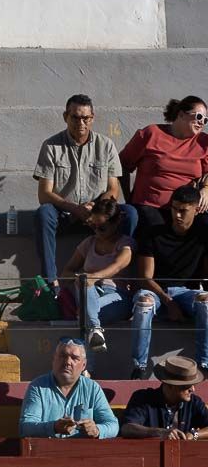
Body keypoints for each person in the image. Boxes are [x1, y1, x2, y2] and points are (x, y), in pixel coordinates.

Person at [33, 94, 133, 287]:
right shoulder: (51, 146)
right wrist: (74, 208)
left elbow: (113, 188)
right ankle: (49, 282)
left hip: (98, 215)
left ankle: (123, 278)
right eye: (75, 117)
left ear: (92, 117)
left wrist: (95, 208)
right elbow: (44, 194)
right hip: (65, 214)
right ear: (65, 117)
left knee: (130, 213)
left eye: (85, 118)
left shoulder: (106, 145)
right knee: (44, 213)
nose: (81, 123)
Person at [130, 185, 208, 379]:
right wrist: (169, 302)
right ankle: (138, 367)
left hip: (187, 293)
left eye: (183, 210)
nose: (177, 215)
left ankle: (204, 365)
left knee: (207, 302)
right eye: (174, 209)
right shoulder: (154, 234)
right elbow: (145, 278)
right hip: (156, 292)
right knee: (143, 304)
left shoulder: (203, 234)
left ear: (196, 210)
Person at [120, 95, 208, 232]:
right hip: (149, 205)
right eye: (198, 117)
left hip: (186, 209)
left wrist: (206, 189)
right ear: (181, 115)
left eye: (205, 120)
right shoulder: (151, 134)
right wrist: (128, 197)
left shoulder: (204, 142)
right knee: (157, 231)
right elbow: (122, 164)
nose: (202, 122)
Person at [58, 197, 134, 353]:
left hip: (116, 295)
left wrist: (94, 277)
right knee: (84, 284)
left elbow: (118, 265)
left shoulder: (125, 244)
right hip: (88, 293)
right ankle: (95, 329)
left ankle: (87, 366)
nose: (97, 231)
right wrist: (81, 277)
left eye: (102, 228)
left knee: (85, 313)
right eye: (93, 226)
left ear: (116, 223)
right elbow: (66, 272)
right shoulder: (89, 243)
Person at [18, 338, 118, 439]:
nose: (67, 362)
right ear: (54, 359)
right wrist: (53, 427)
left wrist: (97, 430)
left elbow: (113, 426)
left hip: (82, 451)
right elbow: (25, 428)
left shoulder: (92, 388)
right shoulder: (38, 387)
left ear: (83, 365)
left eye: (74, 358)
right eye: (62, 356)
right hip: (47, 451)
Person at [120, 356, 208, 439]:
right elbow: (127, 428)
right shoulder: (143, 398)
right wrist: (159, 432)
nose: (193, 389)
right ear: (170, 385)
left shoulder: (194, 402)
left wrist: (194, 435)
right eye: (187, 385)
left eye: (193, 384)